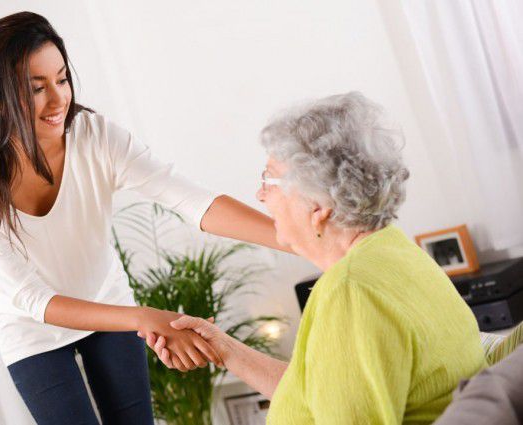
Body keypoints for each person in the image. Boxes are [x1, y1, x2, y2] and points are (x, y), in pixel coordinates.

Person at [0, 12, 286, 425]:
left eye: (62, 80)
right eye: (36, 88)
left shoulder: (95, 136)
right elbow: (34, 298)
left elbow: (191, 200)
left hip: (106, 296)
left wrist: (297, 239)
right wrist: (143, 317)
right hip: (30, 327)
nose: (58, 100)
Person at [147, 92, 488, 424]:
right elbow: (317, 395)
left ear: (318, 205)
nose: (260, 195)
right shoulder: (395, 251)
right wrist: (225, 350)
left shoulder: (351, 292)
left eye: (269, 179)